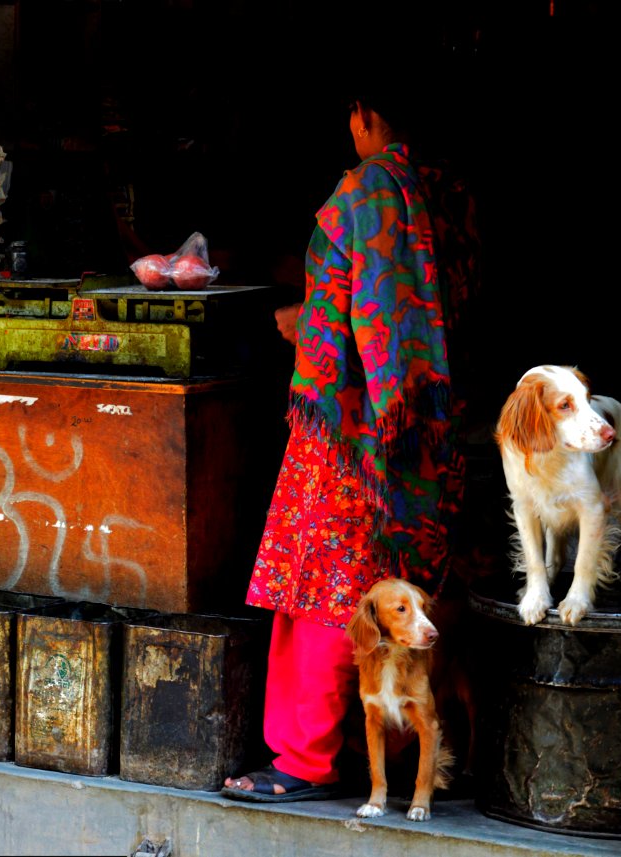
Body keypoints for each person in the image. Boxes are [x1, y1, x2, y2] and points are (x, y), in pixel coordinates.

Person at [220, 72, 479, 802]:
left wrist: (302, 324)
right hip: (429, 432)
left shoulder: (361, 195)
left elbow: (350, 329)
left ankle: (305, 757)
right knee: (413, 590)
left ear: (365, 115)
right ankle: (401, 755)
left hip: (353, 438)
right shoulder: (451, 193)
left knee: (327, 590)